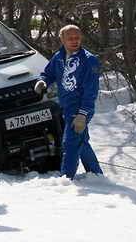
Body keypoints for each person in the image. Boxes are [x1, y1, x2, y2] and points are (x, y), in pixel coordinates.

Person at [35, 25, 103, 179]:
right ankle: (97, 175)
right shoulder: (59, 57)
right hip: (66, 107)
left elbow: (91, 91)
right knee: (81, 142)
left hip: (80, 109)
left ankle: (66, 180)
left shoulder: (89, 60)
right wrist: (42, 81)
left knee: (70, 144)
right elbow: (48, 73)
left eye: (77, 38)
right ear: (62, 39)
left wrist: (82, 115)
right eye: (70, 38)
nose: (74, 41)